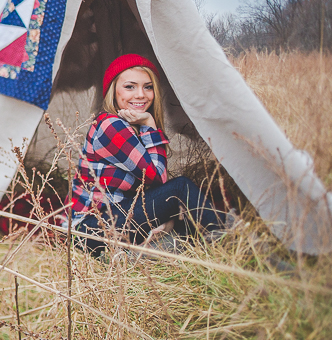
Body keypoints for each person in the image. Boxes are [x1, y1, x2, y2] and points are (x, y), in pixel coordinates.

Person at [69, 54, 227, 255]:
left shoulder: (131, 126)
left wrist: (168, 217)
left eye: (148, 87)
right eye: (130, 87)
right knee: (181, 188)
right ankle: (227, 245)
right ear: (113, 91)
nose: (141, 94)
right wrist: (150, 124)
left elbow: (150, 191)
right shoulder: (111, 125)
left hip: (116, 217)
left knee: (190, 218)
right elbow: (158, 179)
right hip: (90, 230)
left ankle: (152, 251)